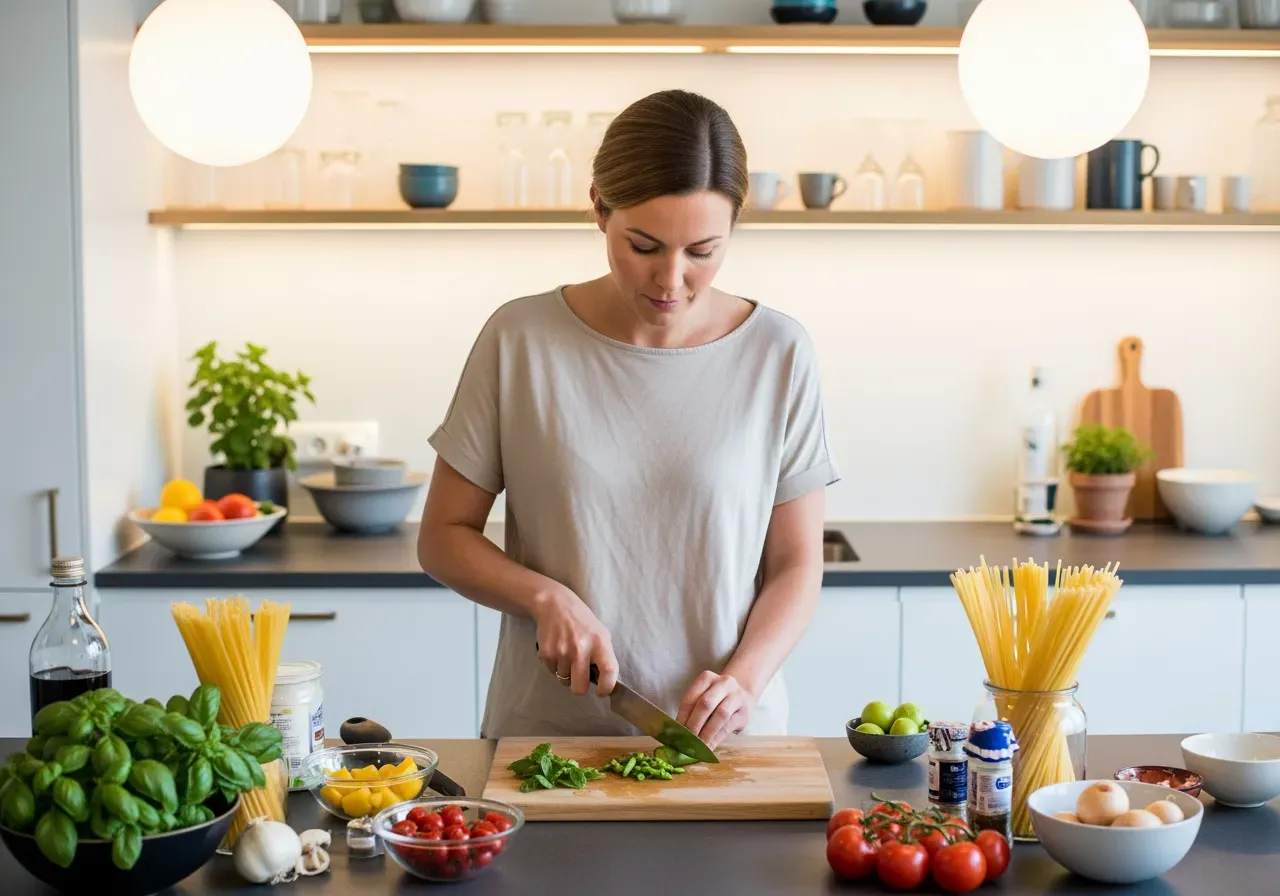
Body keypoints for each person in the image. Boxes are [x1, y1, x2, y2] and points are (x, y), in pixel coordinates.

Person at [418, 89, 839, 750]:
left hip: (727, 745)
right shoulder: (519, 340)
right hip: (548, 746)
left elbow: (796, 565)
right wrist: (542, 597)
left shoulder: (778, 352)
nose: (671, 280)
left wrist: (747, 681)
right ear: (597, 209)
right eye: (643, 245)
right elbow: (443, 535)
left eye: (703, 250)